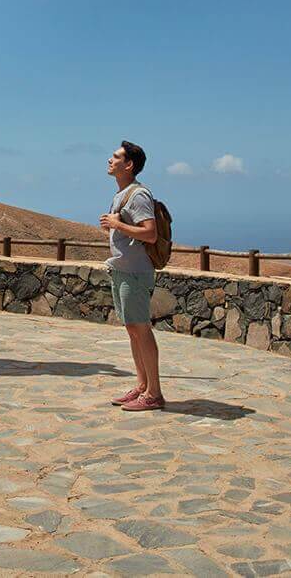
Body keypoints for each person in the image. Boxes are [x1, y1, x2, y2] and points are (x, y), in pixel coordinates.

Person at [100, 141, 164, 411]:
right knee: (132, 330)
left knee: (141, 329)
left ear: (129, 165)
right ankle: (142, 386)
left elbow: (150, 233)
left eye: (116, 157)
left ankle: (154, 394)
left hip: (136, 273)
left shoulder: (138, 195)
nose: (110, 159)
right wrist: (115, 229)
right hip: (123, 269)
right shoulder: (122, 193)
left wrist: (117, 224)